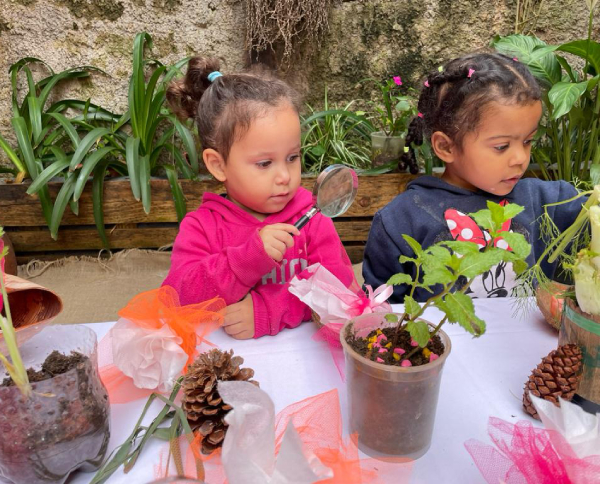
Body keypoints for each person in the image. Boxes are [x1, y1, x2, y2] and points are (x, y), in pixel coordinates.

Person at [363, 52, 585, 303]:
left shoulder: (549, 202)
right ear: (446, 147)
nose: (520, 158)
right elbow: (381, 309)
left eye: (527, 141)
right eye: (501, 146)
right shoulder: (401, 221)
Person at [163, 57, 354, 339]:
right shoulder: (203, 227)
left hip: (302, 363)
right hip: (224, 364)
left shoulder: (313, 219)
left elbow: (341, 297)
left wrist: (270, 310)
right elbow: (180, 298)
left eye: (292, 158)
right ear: (218, 165)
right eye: (264, 163)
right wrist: (247, 259)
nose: (284, 176)